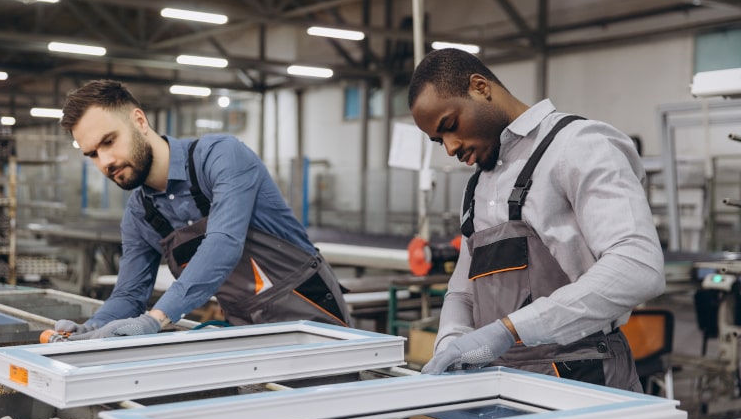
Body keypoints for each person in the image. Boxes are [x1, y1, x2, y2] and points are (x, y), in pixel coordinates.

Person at [408, 49, 665, 391]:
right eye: (439, 141)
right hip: (500, 383)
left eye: (450, 126)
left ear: (480, 87)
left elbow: (638, 267)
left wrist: (508, 331)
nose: (451, 148)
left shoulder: (576, 147)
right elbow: (463, 291)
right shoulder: (477, 188)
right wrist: (451, 345)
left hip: (582, 379)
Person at [54, 79, 350, 340]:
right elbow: (130, 294)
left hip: (309, 311)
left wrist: (156, 318)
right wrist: (93, 328)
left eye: (109, 141)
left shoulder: (221, 157)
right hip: (246, 327)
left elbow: (223, 243)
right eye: (92, 154)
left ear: (140, 121)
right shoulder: (140, 215)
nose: (105, 162)